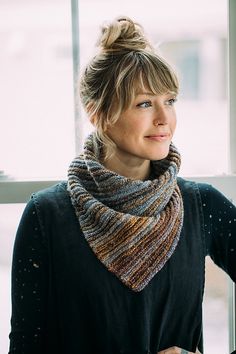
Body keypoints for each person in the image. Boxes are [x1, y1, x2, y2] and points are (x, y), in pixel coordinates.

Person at [9, 16, 236, 354]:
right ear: (97, 113)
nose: (164, 118)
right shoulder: (46, 216)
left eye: (170, 100)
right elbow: (26, 346)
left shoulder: (201, 205)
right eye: (144, 103)